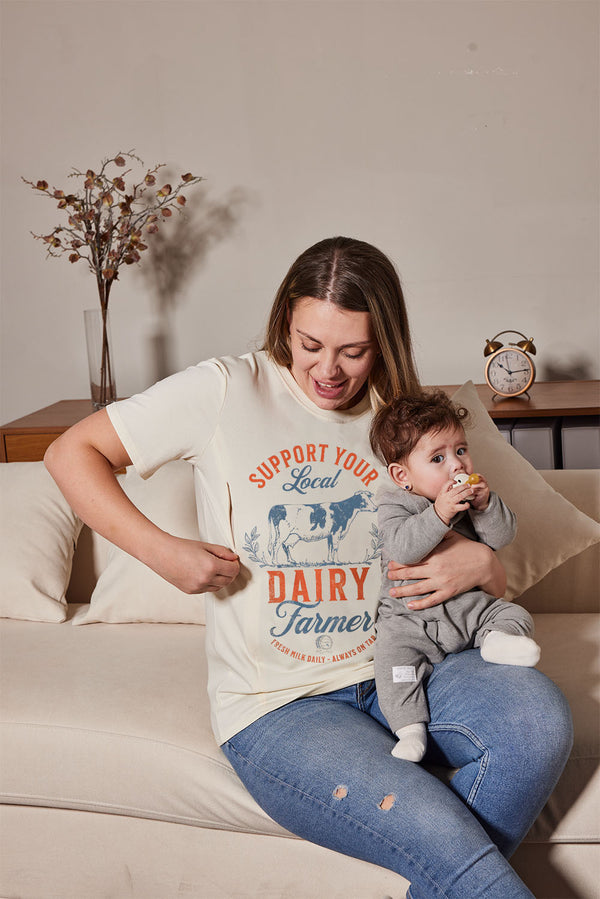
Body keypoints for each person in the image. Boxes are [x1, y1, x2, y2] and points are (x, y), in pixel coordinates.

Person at [45, 236, 572, 898]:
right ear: (283, 323)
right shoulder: (224, 389)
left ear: (384, 340)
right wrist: (162, 550)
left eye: (353, 350)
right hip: (281, 707)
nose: (327, 369)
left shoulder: (404, 418)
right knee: (442, 838)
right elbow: (72, 452)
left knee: (538, 723)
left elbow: (484, 554)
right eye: (308, 343)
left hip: (411, 663)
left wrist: (479, 561)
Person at [369, 391, 541, 763]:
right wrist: (440, 514)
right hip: (408, 619)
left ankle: (497, 641)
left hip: (467, 610)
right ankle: (410, 729)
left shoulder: (473, 500)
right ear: (403, 476)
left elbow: (501, 537)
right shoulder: (395, 504)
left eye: (460, 451)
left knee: (514, 614)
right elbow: (404, 548)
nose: (456, 466)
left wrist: (486, 505)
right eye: (437, 458)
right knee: (392, 665)